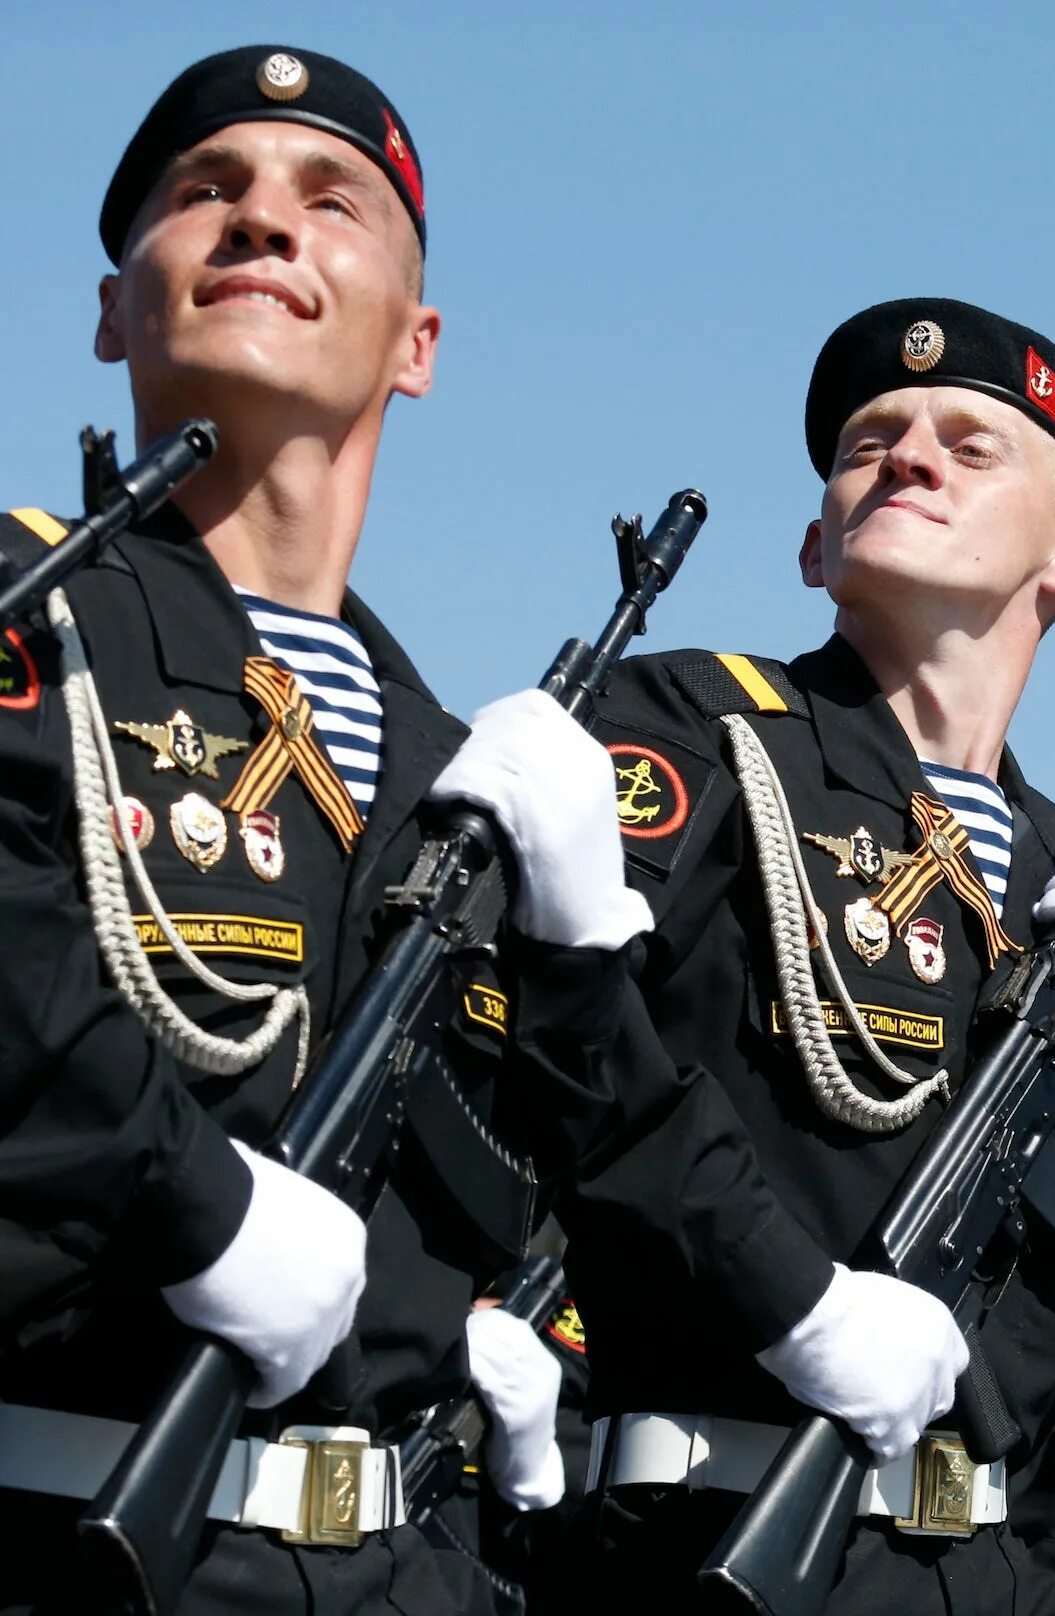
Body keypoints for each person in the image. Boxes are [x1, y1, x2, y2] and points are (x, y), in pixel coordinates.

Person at [0, 46, 642, 1615]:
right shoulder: (34, 616)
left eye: (327, 200)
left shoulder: (456, 774)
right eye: (202, 193)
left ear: (418, 346)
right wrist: (192, 1204)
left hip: (394, 1565)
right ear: (109, 310)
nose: (261, 224)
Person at [549, 298, 1055, 1613]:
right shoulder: (703, 730)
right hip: (715, 1528)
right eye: (871, 441)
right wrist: (794, 1301)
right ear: (816, 545)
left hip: (994, 1559)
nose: (909, 454)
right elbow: (576, 1053)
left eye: (972, 446)